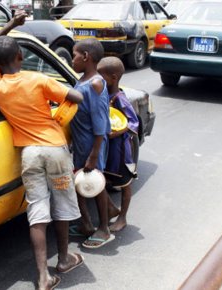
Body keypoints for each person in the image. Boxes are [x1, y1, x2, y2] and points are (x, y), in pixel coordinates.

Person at [0, 11, 85, 290]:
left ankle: (42, 276)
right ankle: (64, 260)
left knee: (37, 213)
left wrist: (10, 25)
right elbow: (76, 95)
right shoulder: (38, 79)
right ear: (20, 57)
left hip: (29, 153)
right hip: (54, 149)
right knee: (62, 205)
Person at [69, 38, 115, 249]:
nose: (71, 60)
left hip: (92, 144)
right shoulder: (83, 80)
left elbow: (100, 122)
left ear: (85, 56)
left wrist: (94, 155)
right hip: (82, 143)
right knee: (82, 182)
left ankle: (104, 229)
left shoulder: (95, 84)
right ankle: (86, 224)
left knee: (96, 184)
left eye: (74, 55)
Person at [97, 56, 140, 232]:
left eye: (102, 77)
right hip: (107, 149)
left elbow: (133, 123)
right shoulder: (103, 95)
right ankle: (111, 209)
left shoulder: (120, 98)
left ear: (113, 78)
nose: (98, 80)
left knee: (124, 183)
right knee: (103, 180)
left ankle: (122, 217)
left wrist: (117, 132)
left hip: (121, 150)